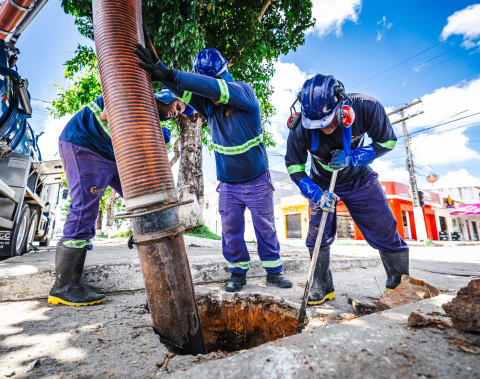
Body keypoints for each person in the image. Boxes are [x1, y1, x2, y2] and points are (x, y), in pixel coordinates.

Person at [135, 37, 293, 292]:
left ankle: (274, 272)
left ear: (224, 77)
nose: (211, 96)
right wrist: (160, 69)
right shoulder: (209, 106)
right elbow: (183, 91)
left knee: (266, 228)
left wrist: (171, 72)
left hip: (257, 180)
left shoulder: (244, 94)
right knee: (231, 231)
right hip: (228, 184)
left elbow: (212, 88)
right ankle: (237, 274)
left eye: (214, 86)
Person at [48, 89, 194, 306]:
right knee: (85, 209)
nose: (178, 113)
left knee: (144, 201)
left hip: (111, 153)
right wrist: (150, 130)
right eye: (179, 107)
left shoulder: (152, 117)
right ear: (167, 96)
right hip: (85, 145)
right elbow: (109, 114)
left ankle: (161, 273)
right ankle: (65, 286)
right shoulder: (136, 91)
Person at [285, 74, 409, 305]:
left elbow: (388, 142)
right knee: (317, 232)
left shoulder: (366, 107)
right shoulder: (300, 126)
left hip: (359, 177)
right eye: (317, 126)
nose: (324, 130)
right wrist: (316, 194)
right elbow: (293, 166)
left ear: (343, 110)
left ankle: (399, 285)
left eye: (328, 122)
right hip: (322, 181)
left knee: (384, 227)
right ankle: (322, 285)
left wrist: (353, 157)